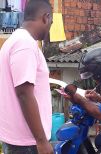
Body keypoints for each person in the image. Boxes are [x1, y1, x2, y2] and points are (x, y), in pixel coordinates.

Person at [0, 0, 53, 153]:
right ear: (45, 17)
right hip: (28, 144)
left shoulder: (14, 41)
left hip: (20, 141)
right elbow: (24, 93)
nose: (50, 27)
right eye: (51, 22)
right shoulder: (25, 44)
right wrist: (41, 141)